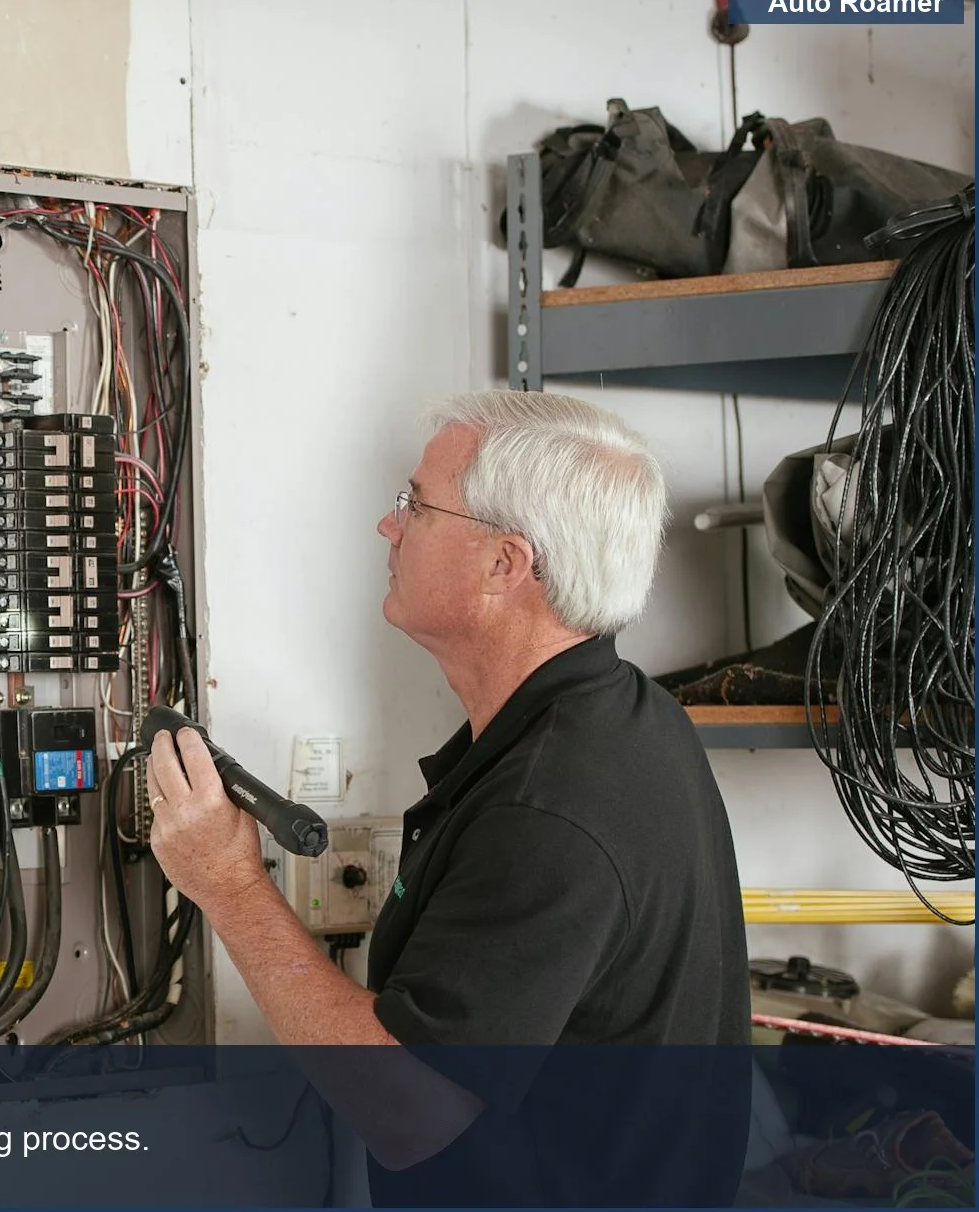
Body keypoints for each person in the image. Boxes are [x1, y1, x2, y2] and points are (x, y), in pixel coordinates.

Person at [145, 389, 751, 1204]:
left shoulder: (551, 807)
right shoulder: (629, 716)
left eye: (416, 506)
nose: (388, 527)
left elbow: (405, 1109)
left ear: (505, 563)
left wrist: (230, 884)